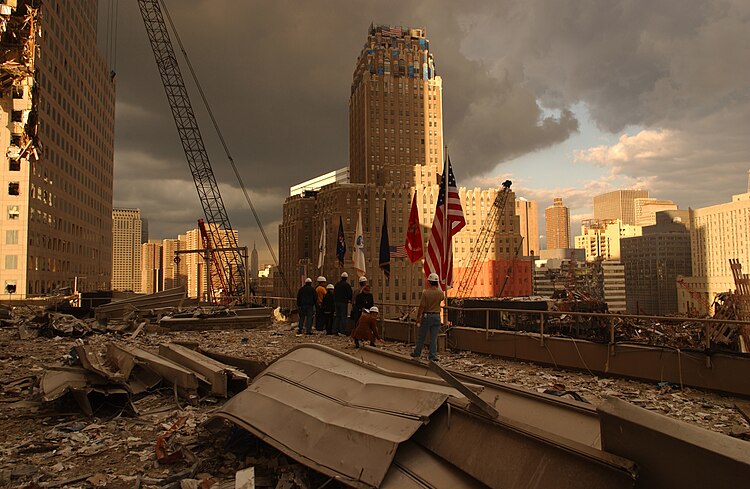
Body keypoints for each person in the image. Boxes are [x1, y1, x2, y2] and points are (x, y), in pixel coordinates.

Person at [411, 273, 444, 361]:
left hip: (427, 316)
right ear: (437, 282)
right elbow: (441, 299)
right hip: (437, 316)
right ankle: (432, 356)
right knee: (434, 338)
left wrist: (418, 317)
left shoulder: (425, 293)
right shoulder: (440, 293)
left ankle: (417, 353)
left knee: (421, 336)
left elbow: (422, 306)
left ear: (429, 282)